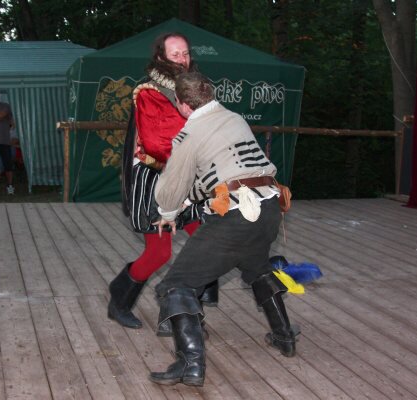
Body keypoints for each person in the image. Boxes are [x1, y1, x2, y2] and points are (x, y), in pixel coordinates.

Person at [148, 72, 297, 387]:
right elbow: (223, 174)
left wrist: (168, 212)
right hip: (269, 209)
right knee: (257, 268)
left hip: (237, 217)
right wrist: (189, 199)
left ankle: (190, 364)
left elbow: (171, 186)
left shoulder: (189, 133)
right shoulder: (234, 119)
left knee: (176, 285)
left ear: (182, 104)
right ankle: (284, 336)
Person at [109, 32, 219, 330]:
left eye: (185, 53)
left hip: (187, 176)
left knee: (206, 238)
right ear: (160, 58)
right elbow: (158, 144)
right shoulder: (150, 92)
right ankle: (119, 301)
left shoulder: (196, 88)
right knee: (159, 253)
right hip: (155, 179)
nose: (182, 59)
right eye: (175, 54)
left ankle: (185, 302)